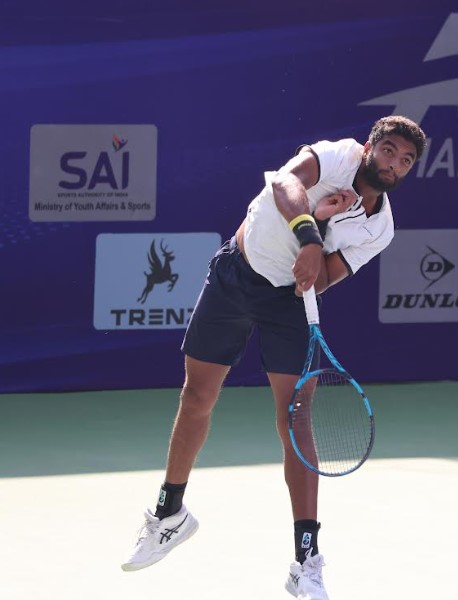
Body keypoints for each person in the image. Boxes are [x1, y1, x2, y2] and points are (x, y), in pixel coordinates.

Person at [120, 115, 427, 599]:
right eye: (388, 150)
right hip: (236, 275)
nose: (394, 164)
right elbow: (284, 182)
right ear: (370, 147)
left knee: (296, 419)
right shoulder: (338, 155)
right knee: (197, 397)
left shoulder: (380, 228)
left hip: (289, 303)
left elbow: (321, 279)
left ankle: (306, 561)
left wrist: (319, 233)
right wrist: (311, 231)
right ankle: (169, 513)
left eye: (405, 160)